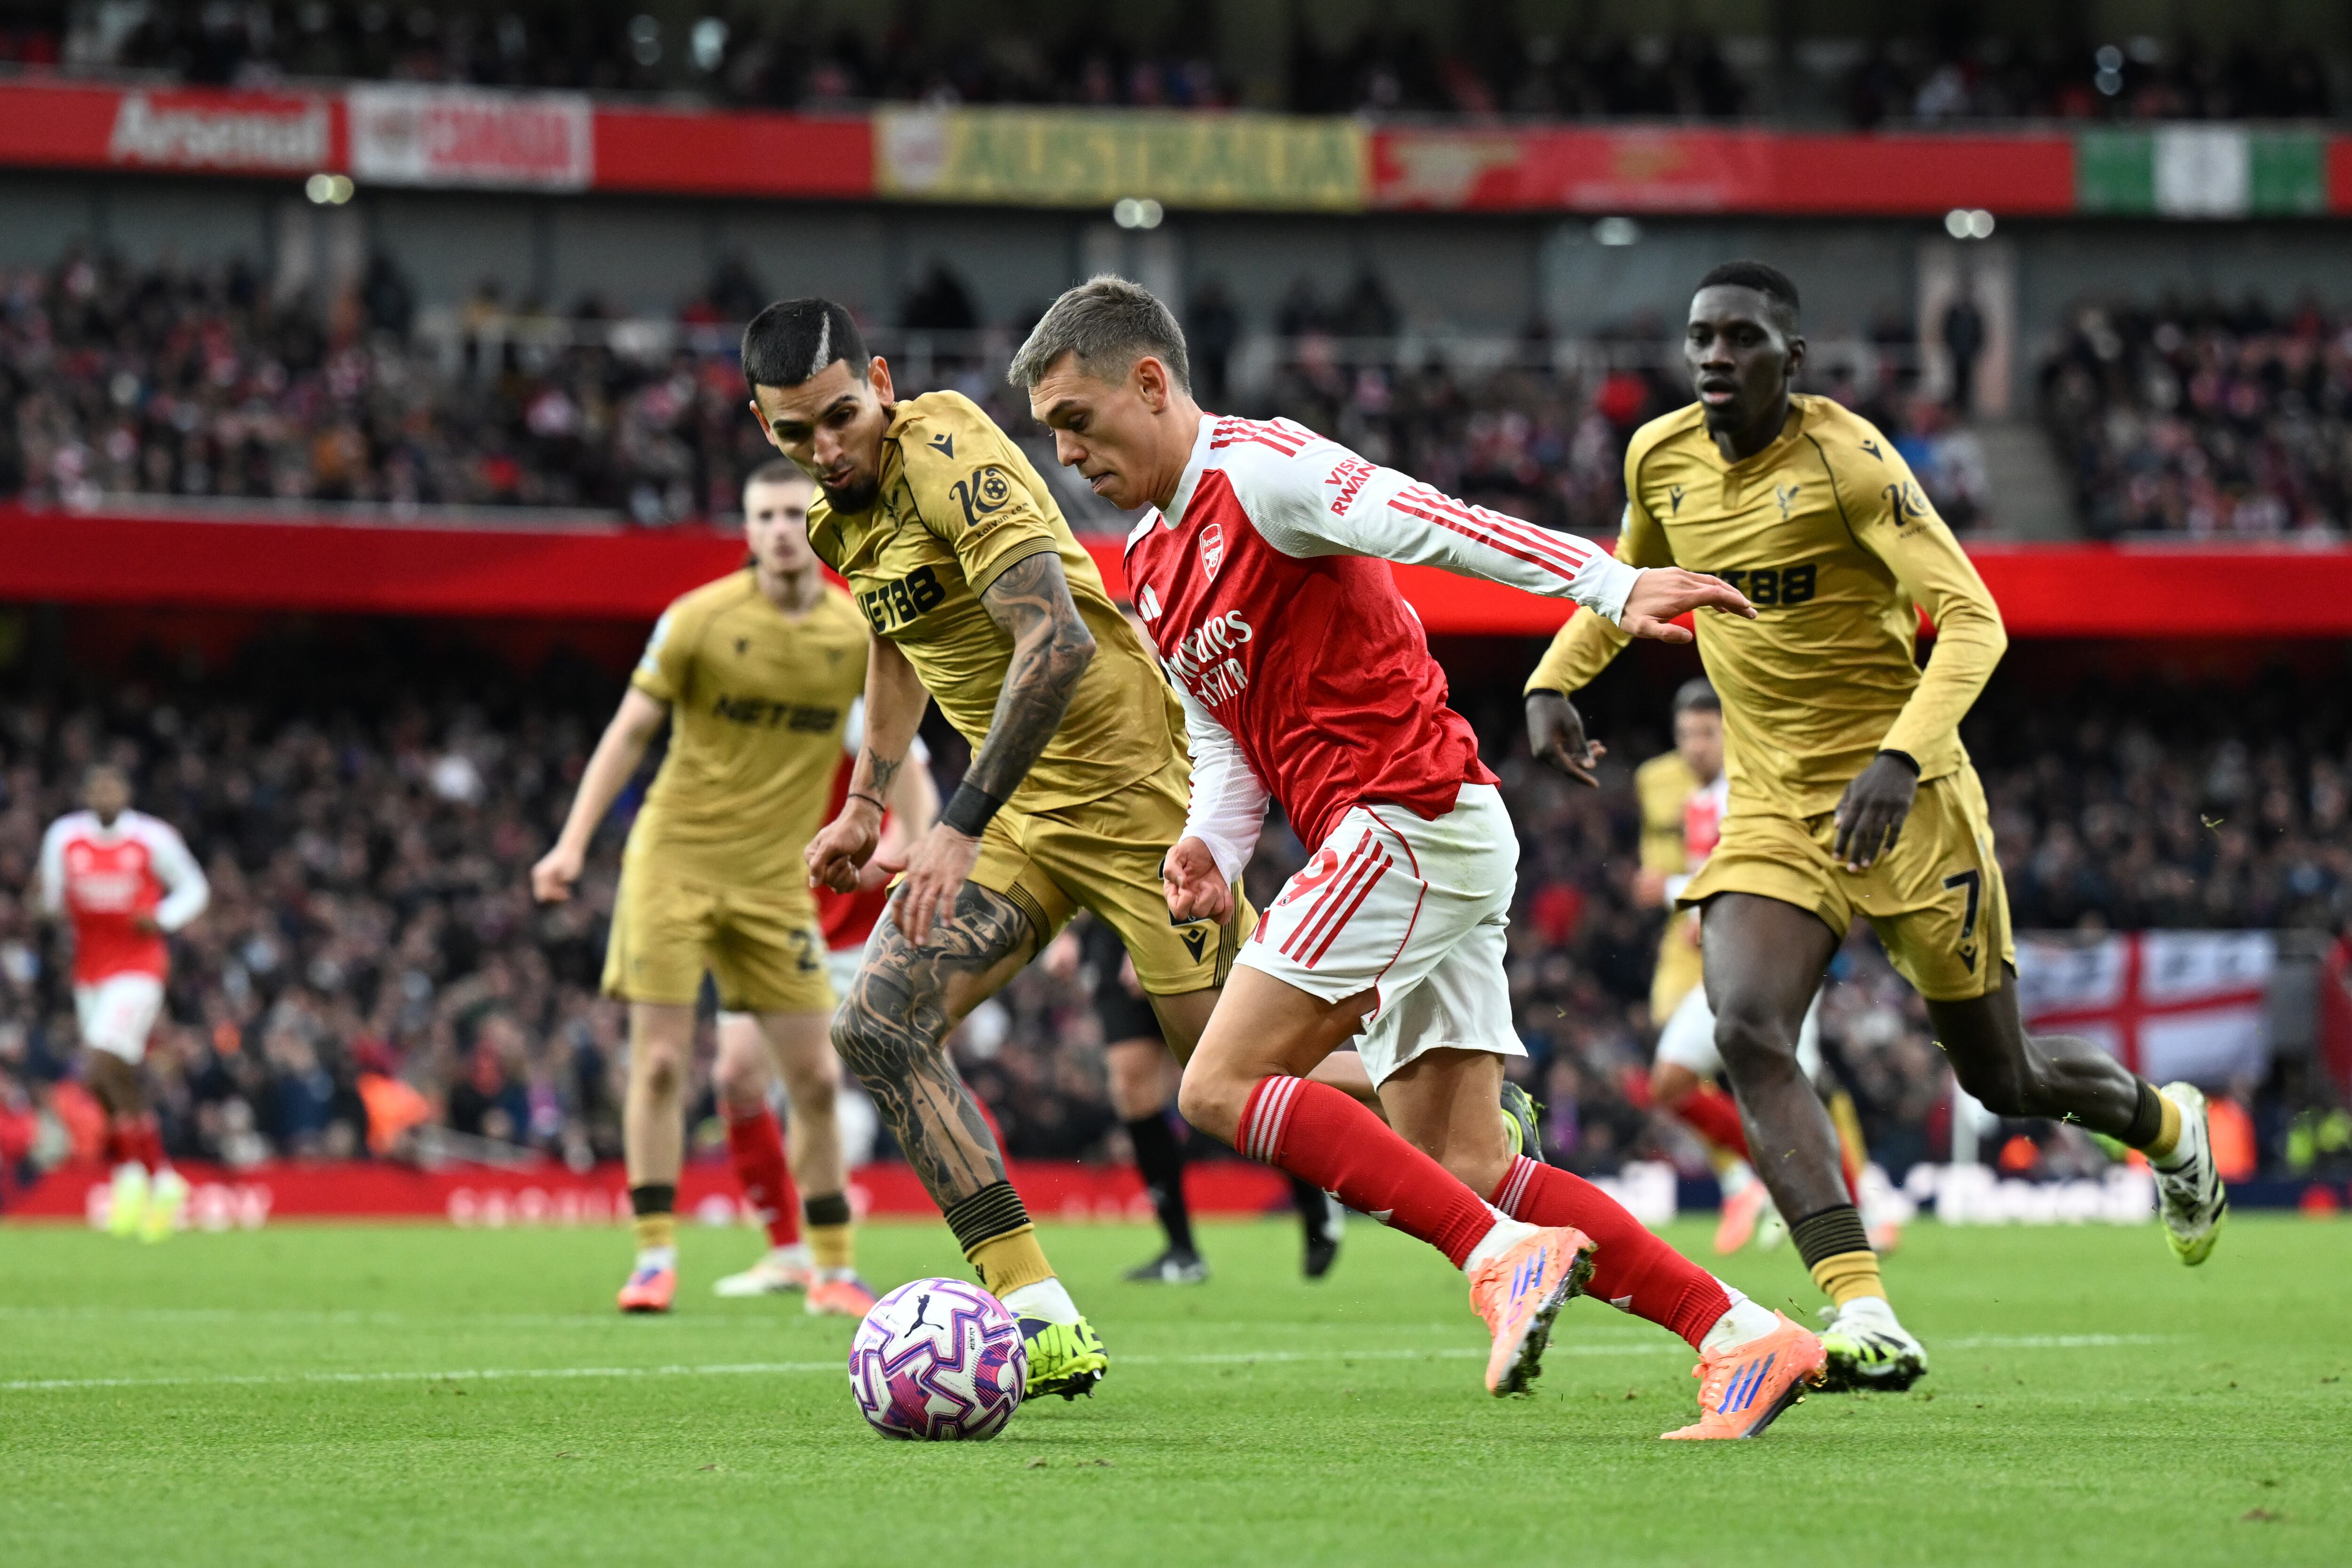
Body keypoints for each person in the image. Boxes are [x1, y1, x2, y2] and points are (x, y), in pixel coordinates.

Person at [1014, 273, 1830, 1440]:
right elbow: (1221, 726)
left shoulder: (1264, 471)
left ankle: (1498, 1259)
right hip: (1403, 833)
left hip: (1406, 815)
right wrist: (1214, 838)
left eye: (1076, 421)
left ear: (1150, 383)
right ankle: (1743, 1336)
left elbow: (1431, 517)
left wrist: (1608, 582)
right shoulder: (1145, 560)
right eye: (1052, 435)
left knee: (1215, 1082)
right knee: (1463, 1158)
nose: (1066, 455)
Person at [1523, 260, 2227, 1393]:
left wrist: (1900, 755)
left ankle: (2164, 1126)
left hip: (1909, 802)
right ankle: (1863, 1307)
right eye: (1701, 337)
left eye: (1741, 339)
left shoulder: (1849, 463)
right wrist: (1558, 676)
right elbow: (1638, 577)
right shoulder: (1659, 456)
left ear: (1790, 361)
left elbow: (1972, 622)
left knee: (2002, 1075)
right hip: (1770, 802)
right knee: (1747, 1025)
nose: (1713, 357)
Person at [532, 462, 882, 1317]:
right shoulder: (696, 621)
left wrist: (902, 829)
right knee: (657, 1061)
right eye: (762, 514)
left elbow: (886, 740)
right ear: (746, 526)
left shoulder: (852, 635)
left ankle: (829, 1266)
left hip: (774, 879)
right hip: (674, 863)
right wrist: (572, 844)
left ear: (819, 521)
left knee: (813, 1077)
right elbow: (627, 732)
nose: (777, 529)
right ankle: (654, 1255)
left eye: (794, 513)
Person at [1637, 679, 1889, 1256]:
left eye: (1706, 733)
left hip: (1774, 970)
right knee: (1671, 1083)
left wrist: (1671, 890)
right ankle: (1757, 1180)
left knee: (1793, 1097)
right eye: (1685, 735)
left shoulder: (1749, 796)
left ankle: (1856, 1210)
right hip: (1725, 971)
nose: (1695, 746)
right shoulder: (1698, 802)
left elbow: (1752, 880)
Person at [711, 697, 938, 1301]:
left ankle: (1003, 1232)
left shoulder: (843, 706)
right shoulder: (733, 714)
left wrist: (881, 864)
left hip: (854, 935)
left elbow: (919, 807)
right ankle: (788, 1253)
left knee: (912, 1072)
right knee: (737, 1075)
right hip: (769, 925)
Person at [1043, 913, 1346, 1284]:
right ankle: (1182, 1251)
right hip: (1112, 932)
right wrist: (1071, 929)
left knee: (1234, 1077)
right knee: (1130, 1084)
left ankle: (1314, 1198)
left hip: (1179, 924)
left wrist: (1153, 943)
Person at [37, 763, 209, 1242]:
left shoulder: (153, 838)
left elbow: (196, 888)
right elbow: (52, 900)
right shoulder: (64, 838)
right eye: (97, 786)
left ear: (126, 792)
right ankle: (150, 1176)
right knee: (110, 1078)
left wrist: (163, 916)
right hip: (89, 970)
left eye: (113, 785)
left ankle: (143, 1175)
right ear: (87, 794)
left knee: (99, 1060)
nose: (105, 794)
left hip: (139, 968)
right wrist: (44, 907)